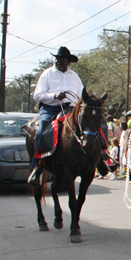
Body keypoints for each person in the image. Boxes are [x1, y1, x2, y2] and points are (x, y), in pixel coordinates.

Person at [29, 46, 84, 186]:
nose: (60, 62)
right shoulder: (47, 74)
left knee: (89, 128)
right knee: (42, 132)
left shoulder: (74, 76)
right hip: (50, 109)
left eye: (63, 60)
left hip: (70, 110)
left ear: (68, 62)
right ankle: (37, 166)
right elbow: (37, 95)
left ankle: (100, 159)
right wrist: (54, 95)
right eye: (58, 59)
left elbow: (81, 95)